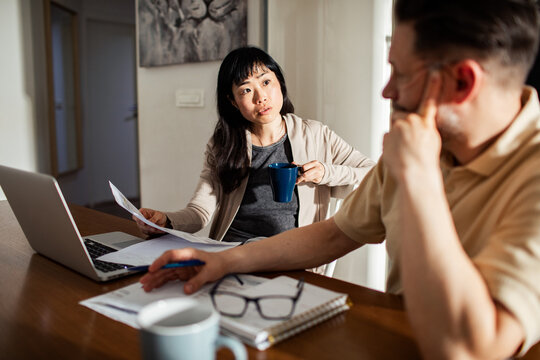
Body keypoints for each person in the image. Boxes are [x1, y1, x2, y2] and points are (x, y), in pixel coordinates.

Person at [140, 0, 540, 358]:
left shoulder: (524, 175)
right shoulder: (420, 147)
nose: (386, 90)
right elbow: (334, 234)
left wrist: (417, 177)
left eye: (398, 73)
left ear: (462, 83)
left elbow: (471, 349)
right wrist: (223, 259)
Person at [134, 46, 374, 247]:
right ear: (233, 101)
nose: (261, 97)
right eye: (246, 90)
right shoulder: (224, 144)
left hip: (294, 253)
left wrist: (326, 172)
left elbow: (373, 173)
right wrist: (165, 220)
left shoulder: (316, 134)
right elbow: (200, 212)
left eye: (266, 82)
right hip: (233, 251)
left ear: (279, 82)